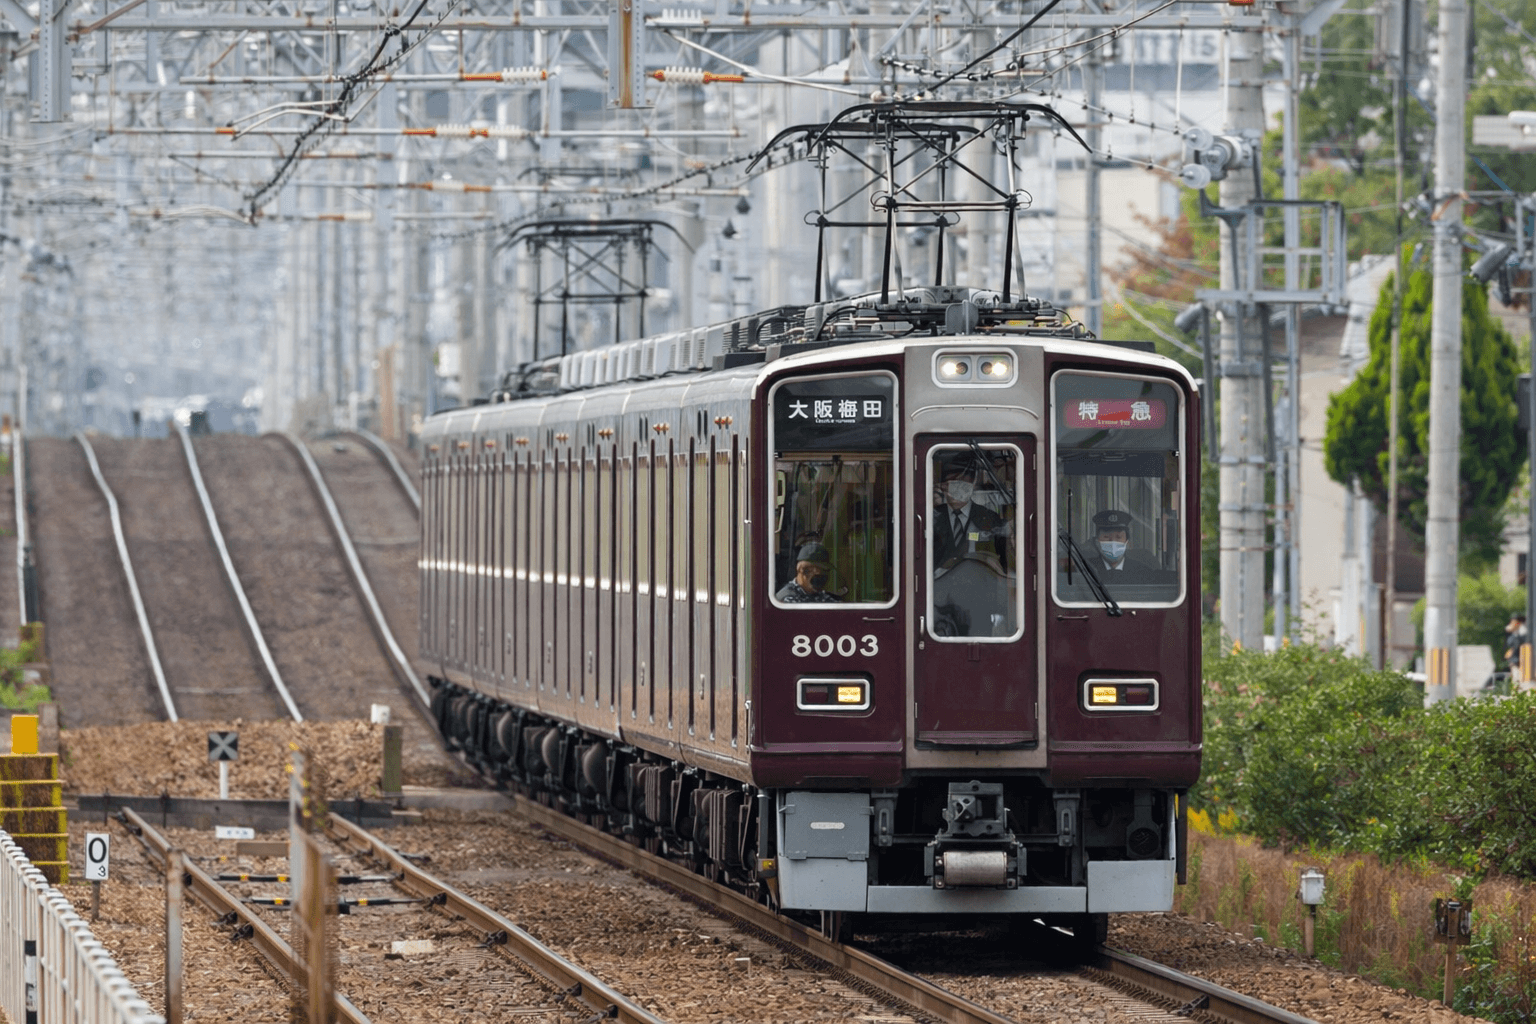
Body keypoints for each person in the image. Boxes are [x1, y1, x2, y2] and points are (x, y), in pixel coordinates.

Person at [933, 463, 1002, 566]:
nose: (957, 491)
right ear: (944, 487)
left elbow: (999, 556)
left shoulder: (990, 518)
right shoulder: (932, 517)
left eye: (962, 484)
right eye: (951, 485)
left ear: (971, 487)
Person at [1091, 509, 1160, 577]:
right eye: (1106, 537)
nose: (1113, 542)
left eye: (1118, 537)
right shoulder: (1087, 569)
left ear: (1127, 541)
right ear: (1097, 541)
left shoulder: (1143, 573)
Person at [776, 543, 841, 603]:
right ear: (803, 570)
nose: (823, 578)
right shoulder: (788, 598)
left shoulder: (816, 593)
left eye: (826, 571)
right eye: (818, 574)